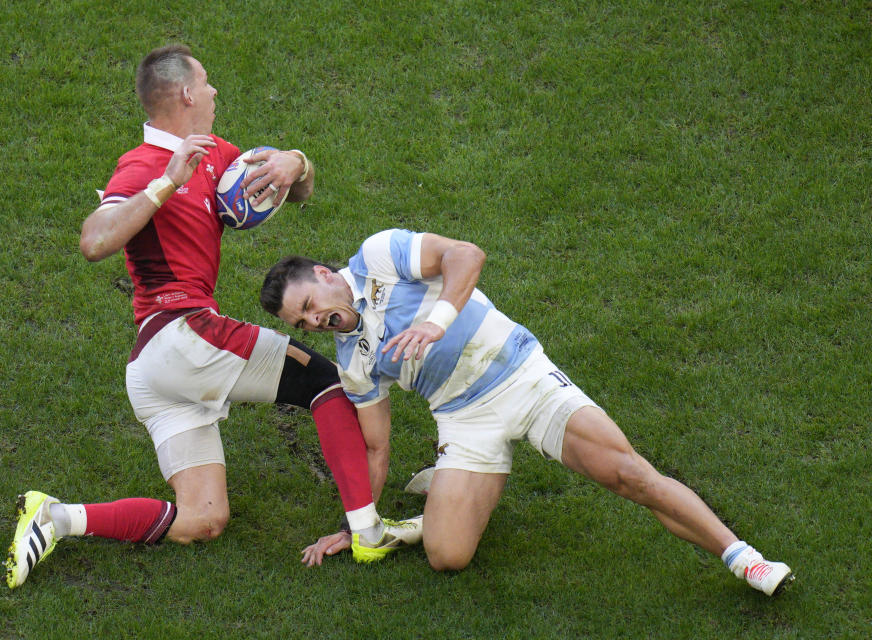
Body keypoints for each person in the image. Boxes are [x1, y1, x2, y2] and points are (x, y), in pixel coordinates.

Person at [3, 45, 419, 589]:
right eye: (207, 81)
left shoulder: (217, 153)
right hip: (184, 334)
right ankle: (367, 531)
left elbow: (294, 190)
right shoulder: (144, 164)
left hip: (155, 369)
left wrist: (298, 162)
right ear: (186, 94)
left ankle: (56, 517)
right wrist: (167, 181)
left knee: (203, 520)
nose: (216, 90)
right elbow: (94, 242)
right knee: (323, 380)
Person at [259, 228, 795, 596]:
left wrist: (437, 321)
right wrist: (359, 525)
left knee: (629, 475)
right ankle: (437, 508)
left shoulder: (379, 255)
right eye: (301, 324)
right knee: (447, 556)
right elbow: (376, 447)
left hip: (522, 378)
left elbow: (465, 255)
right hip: (465, 421)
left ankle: (744, 558)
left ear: (326, 275)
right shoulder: (354, 363)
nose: (314, 322)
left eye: (309, 306)